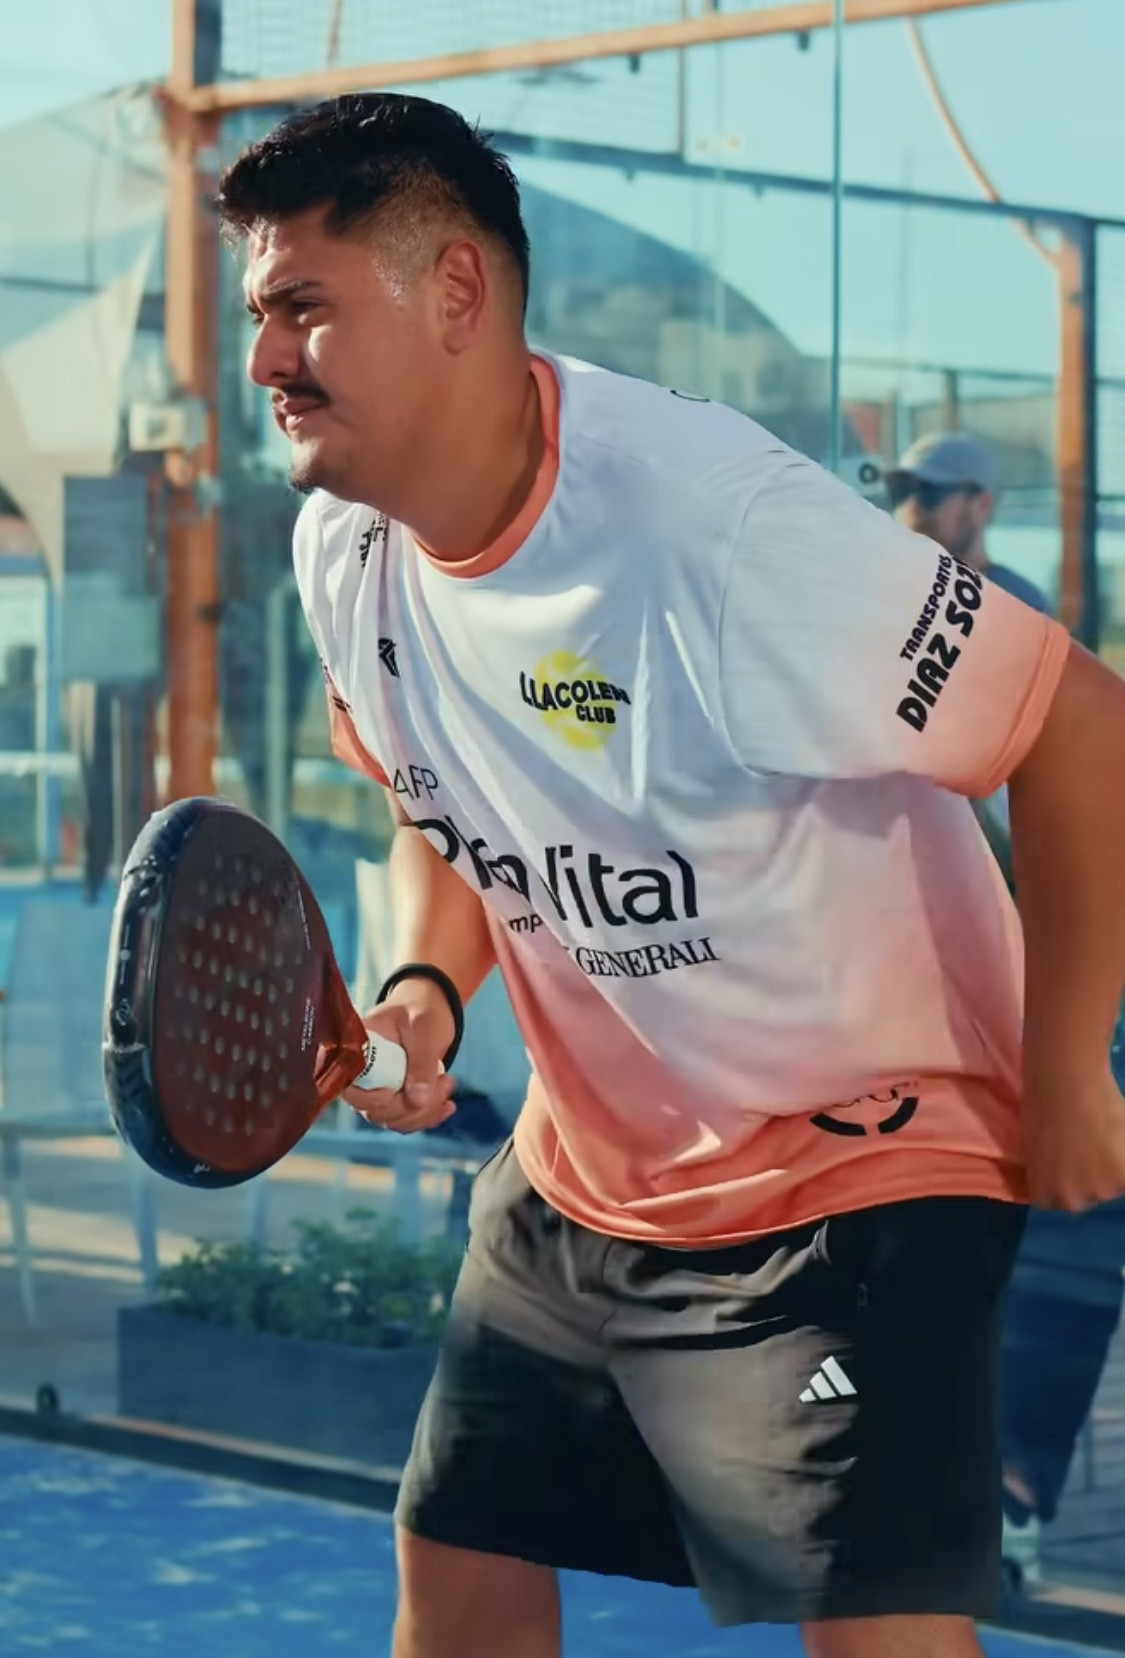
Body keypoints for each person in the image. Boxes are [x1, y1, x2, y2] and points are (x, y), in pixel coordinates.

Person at [217, 93, 1125, 1658]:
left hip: (858, 1164)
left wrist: (1067, 1070)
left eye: (304, 306)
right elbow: (449, 798)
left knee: (875, 1631)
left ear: (455, 290)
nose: (265, 361)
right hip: (587, 1166)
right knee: (457, 1567)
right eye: (256, 314)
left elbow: (1078, 724)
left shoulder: (720, 529)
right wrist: (425, 987)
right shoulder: (347, 551)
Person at [889, 433, 1125, 1590]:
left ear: (979, 503)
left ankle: (1014, 1487)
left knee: (1068, 1210)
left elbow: (1043, 798)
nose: (912, 510)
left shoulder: (1015, 618)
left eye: (931, 495)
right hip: (933, 968)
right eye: (903, 492)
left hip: (1033, 961)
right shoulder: (877, 608)